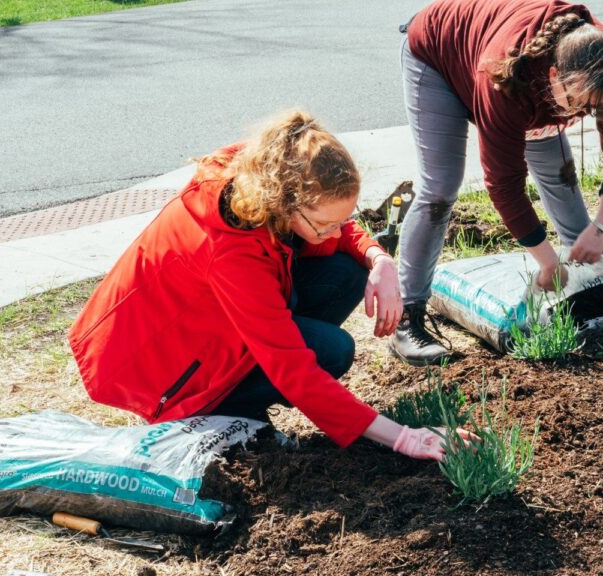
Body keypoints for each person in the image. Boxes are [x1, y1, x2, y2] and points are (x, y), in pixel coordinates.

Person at [68, 110, 467, 462]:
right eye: (323, 224)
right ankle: (218, 409)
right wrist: (402, 438)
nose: (335, 230)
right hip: (160, 367)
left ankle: (241, 384)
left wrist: (378, 258)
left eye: (338, 221)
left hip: (204, 322)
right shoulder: (232, 252)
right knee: (331, 351)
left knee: (348, 270)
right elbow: (294, 369)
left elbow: (340, 227)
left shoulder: (272, 169)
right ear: (286, 201)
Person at [389, 0, 603, 367]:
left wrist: (601, 228)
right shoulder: (506, 78)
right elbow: (504, 184)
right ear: (554, 75)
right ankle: (407, 315)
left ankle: (592, 269)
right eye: (580, 103)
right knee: (441, 186)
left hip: (526, 78)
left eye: (595, 109)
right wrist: (546, 262)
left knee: (558, 170)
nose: (583, 115)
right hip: (438, 55)